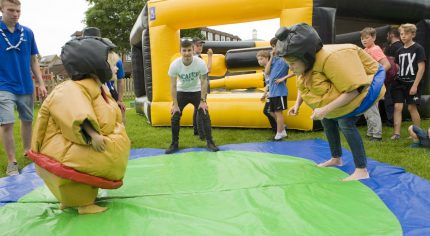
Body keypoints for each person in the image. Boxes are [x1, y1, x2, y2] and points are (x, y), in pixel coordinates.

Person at [28, 36, 130, 214]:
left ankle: (74, 200)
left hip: (75, 154)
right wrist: (92, 134)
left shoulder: (97, 88)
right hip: (62, 155)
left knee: (85, 171)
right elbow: (75, 112)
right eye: (113, 64)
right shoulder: (70, 89)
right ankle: (83, 204)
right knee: (77, 177)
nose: (116, 69)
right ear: (96, 65)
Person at [276, 23, 385, 181]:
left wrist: (325, 109)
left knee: (345, 123)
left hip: (368, 86)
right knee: (327, 121)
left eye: (292, 64)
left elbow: (354, 89)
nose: (290, 68)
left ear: (304, 56)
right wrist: (298, 104)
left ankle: (362, 170)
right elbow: (304, 84)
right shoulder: (309, 62)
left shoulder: (332, 58)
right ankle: (336, 158)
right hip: (346, 89)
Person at [0, 0, 47, 176]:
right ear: (2, 9)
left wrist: (40, 83)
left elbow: (34, 60)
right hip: (3, 85)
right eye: (11, 10)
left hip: (25, 84)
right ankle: (12, 162)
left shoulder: (27, 33)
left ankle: (28, 150)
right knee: (7, 122)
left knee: (27, 119)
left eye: (18, 10)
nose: (15, 14)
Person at [166, 39, 219, 154]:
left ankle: (210, 142)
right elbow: (173, 85)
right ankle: (174, 144)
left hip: (196, 91)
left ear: (192, 50)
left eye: (189, 50)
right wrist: (175, 104)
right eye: (184, 50)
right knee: (175, 116)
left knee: (204, 113)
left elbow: (204, 81)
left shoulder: (200, 63)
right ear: (180, 51)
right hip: (181, 91)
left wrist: (203, 100)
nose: (187, 53)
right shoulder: (175, 65)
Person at [82, 27, 126, 123]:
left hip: (96, 90)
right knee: (116, 116)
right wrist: (120, 100)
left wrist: (120, 100)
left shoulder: (87, 56)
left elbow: (120, 80)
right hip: (103, 91)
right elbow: (120, 80)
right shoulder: (116, 59)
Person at [391, 23, 426, 140]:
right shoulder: (399, 50)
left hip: (413, 83)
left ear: (413, 34)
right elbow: (397, 66)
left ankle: (417, 133)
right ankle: (396, 133)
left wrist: (415, 86)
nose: (403, 36)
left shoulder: (418, 48)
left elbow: (421, 68)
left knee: (412, 107)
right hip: (400, 83)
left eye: (406, 33)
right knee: (397, 107)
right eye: (401, 34)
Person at [360, 27, 390, 141]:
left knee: (372, 108)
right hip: (367, 84)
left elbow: (386, 64)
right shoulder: (365, 50)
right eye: (362, 38)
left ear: (374, 38)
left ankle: (377, 135)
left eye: (367, 37)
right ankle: (370, 132)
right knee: (367, 109)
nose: (364, 40)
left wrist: (376, 78)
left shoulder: (375, 49)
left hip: (373, 85)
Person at [257, 49, 293, 140]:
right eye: (258, 59)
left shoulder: (281, 62)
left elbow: (295, 71)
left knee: (277, 112)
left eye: (261, 59)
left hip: (279, 92)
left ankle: (279, 133)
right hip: (272, 93)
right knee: (271, 112)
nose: (259, 61)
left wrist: (283, 78)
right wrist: (265, 94)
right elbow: (267, 79)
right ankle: (282, 130)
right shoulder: (271, 65)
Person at [191, 37, 212, 140]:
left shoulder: (197, 57)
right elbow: (208, 70)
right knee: (200, 108)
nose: (200, 47)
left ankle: (196, 130)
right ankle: (201, 134)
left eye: (201, 45)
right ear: (193, 46)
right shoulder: (197, 58)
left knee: (197, 109)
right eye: (197, 45)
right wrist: (210, 56)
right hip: (200, 86)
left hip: (198, 86)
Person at [383, 25, 402, 127]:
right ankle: (395, 120)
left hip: (391, 79)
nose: (387, 37)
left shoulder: (392, 48)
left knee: (389, 100)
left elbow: (390, 65)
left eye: (387, 35)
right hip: (400, 78)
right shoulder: (403, 46)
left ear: (392, 35)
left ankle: (391, 121)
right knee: (397, 101)